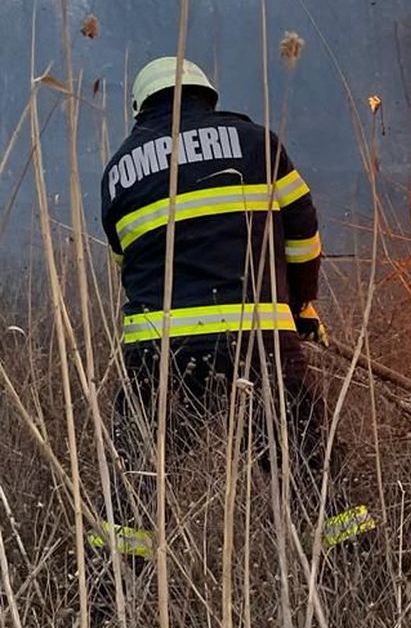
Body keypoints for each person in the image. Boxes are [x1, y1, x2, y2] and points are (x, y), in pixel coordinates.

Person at [95, 57, 374, 559]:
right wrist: (302, 307)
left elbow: (126, 262)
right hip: (259, 339)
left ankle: (109, 594)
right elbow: (304, 234)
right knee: (308, 464)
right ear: (208, 95)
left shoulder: (117, 172)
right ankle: (353, 574)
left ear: (139, 109)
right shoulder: (257, 144)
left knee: (136, 474)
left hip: (159, 352)